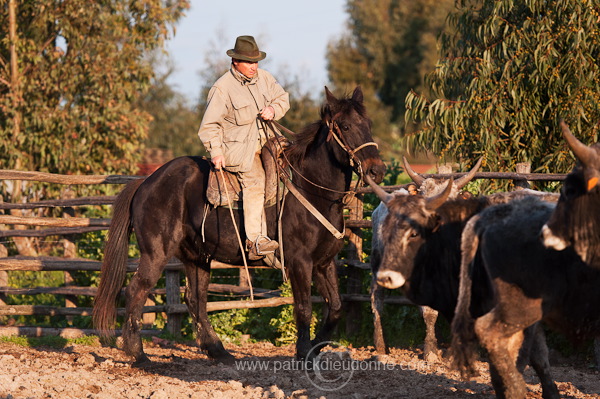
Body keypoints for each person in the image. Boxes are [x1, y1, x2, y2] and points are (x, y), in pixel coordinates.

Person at [198, 35, 290, 261]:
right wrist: (216, 151)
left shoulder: (265, 78)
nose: (254, 66)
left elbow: (283, 99)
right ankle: (256, 240)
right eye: (249, 62)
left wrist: (273, 110)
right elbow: (209, 126)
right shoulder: (222, 89)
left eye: (256, 61)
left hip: (269, 142)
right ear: (235, 61)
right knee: (256, 181)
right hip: (239, 150)